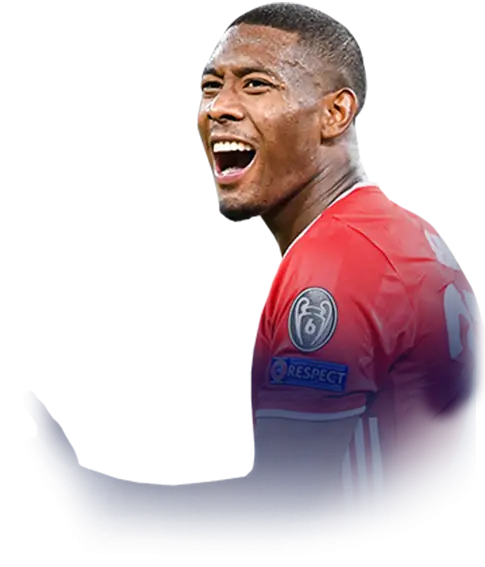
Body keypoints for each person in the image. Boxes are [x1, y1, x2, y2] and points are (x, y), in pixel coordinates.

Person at [22, 3, 484, 556]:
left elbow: (278, 512)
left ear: (335, 113)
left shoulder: (336, 266)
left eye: (255, 84)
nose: (218, 107)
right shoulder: (408, 232)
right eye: (211, 85)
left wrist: (90, 495)